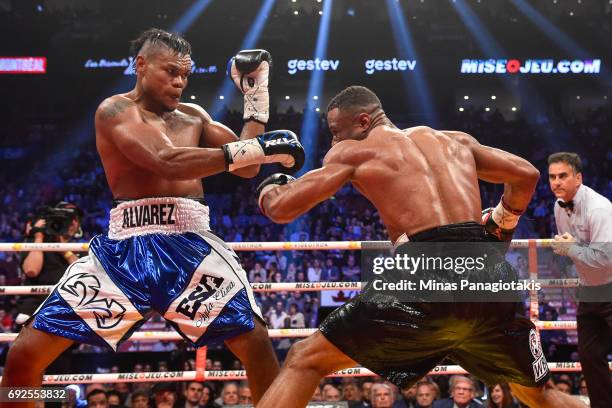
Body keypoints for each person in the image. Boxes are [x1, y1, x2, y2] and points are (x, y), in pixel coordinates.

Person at [1, 28, 306, 407]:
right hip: (124, 250)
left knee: (257, 345)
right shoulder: (115, 110)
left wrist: (256, 96)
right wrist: (258, 148)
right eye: (170, 72)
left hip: (190, 245)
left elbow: (245, 167)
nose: (179, 82)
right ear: (141, 65)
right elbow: (165, 160)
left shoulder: (194, 116)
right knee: (24, 355)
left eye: (185, 75)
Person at [255, 86, 586, 408]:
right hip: (489, 277)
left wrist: (270, 186)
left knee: (303, 360)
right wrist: (503, 221)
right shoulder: (455, 140)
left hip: (426, 274)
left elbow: (282, 209)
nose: (333, 141)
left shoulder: (353, 150)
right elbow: (526, 174)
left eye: (335, 131)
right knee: (538, 396)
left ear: (363, 122)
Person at [547, 152, 612, 408]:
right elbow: (571, 248)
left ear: (578, 177)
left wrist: (571, 249)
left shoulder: (599, 208)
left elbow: (605, 258)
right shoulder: (557, 206)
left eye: (563, 176)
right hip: (589, 291)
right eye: (552, 177)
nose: (556, 182)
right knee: (589, 356)